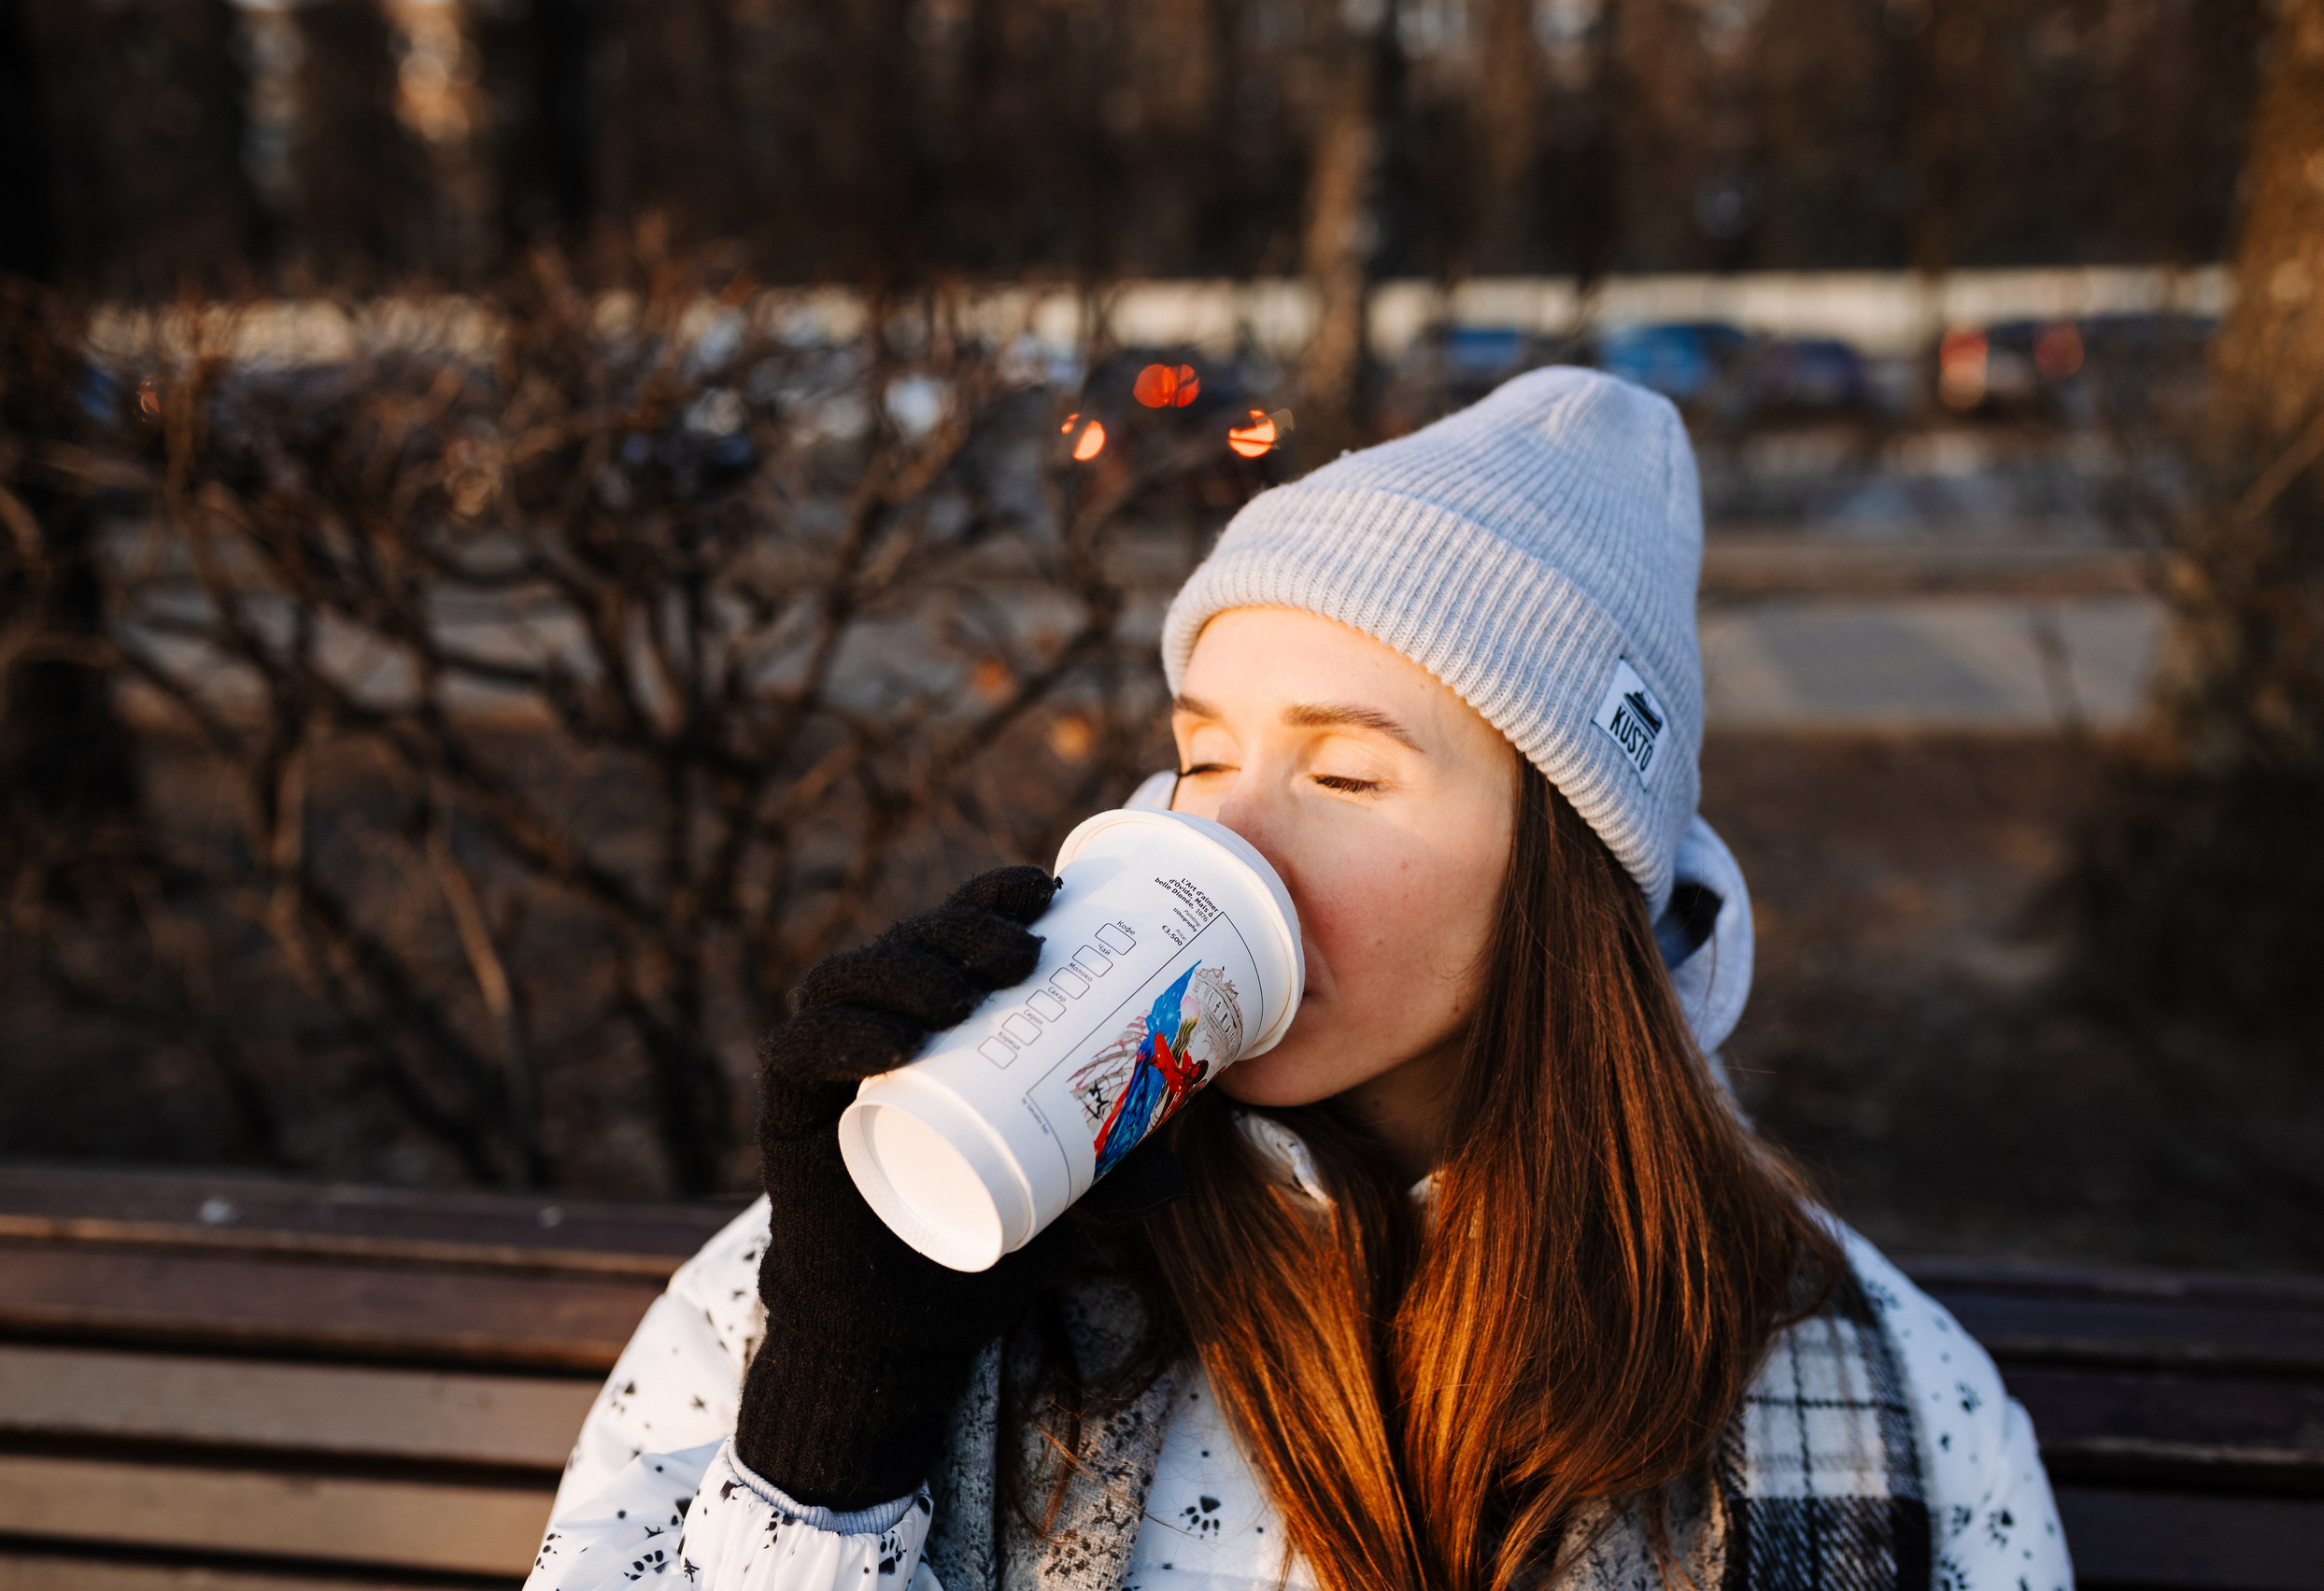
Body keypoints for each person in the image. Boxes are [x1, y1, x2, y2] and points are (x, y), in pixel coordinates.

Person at [523, 368, 2070, 1591]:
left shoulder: (1871, 1397)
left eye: (1343, 776)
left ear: (1565, 874)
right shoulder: (905, 1238)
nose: (1226, 833)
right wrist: (836, 1414)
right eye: (1202, 751)